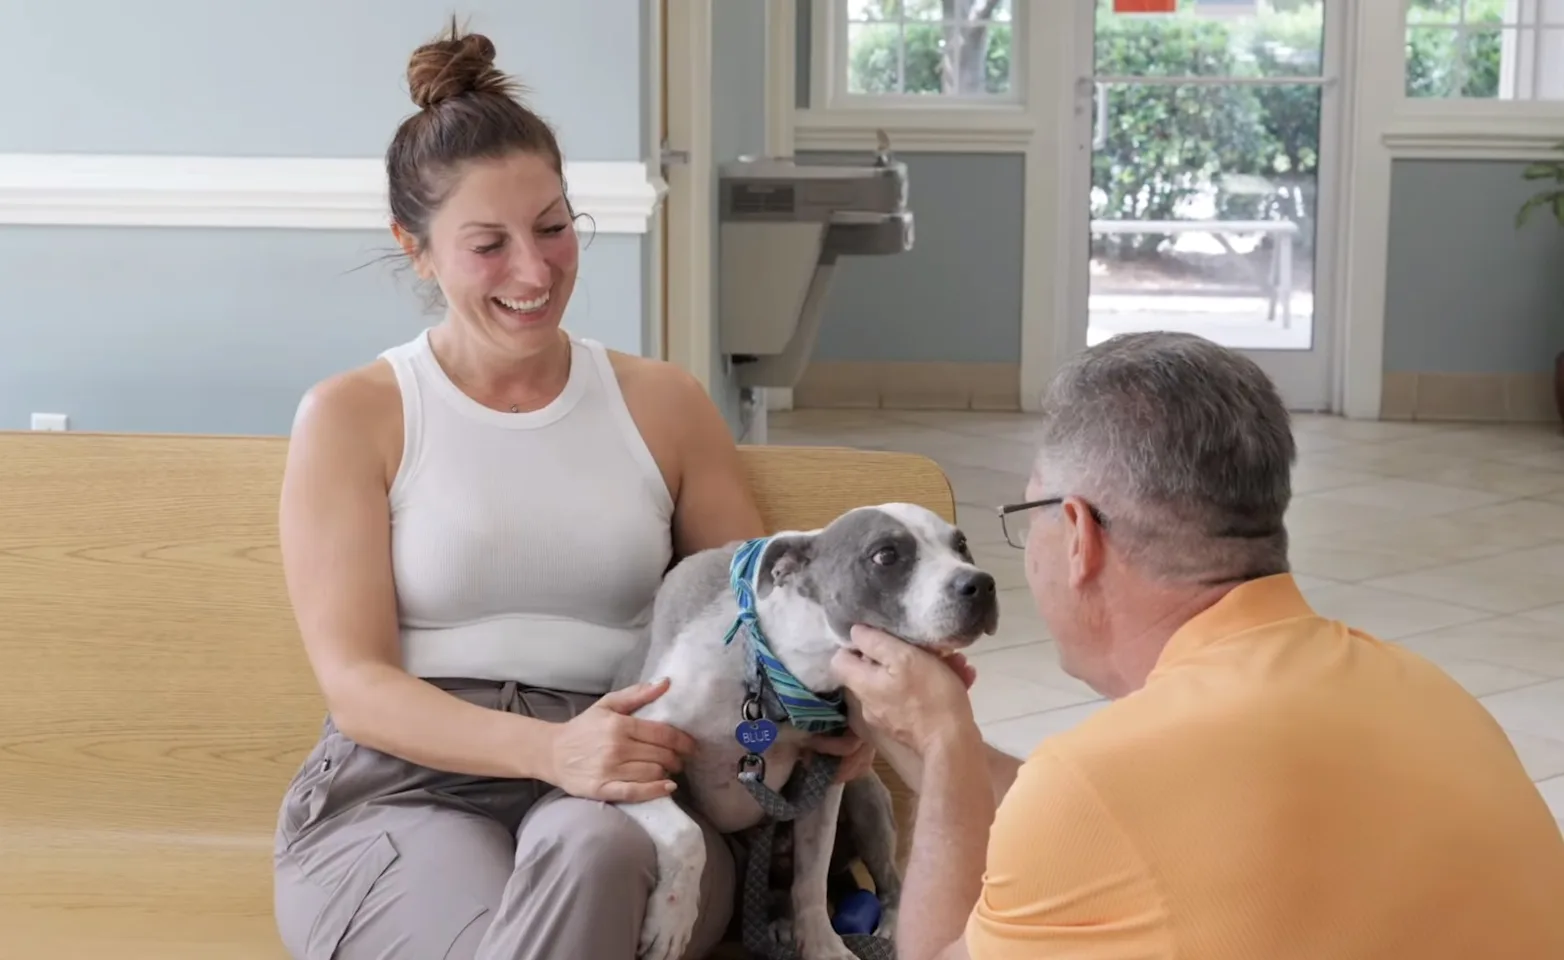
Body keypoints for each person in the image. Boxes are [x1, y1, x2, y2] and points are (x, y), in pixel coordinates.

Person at [270, 22, 874, 960]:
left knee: (593, 850)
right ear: (414, 247)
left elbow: (761, 624)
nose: (535, 270)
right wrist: (551, 750)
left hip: (637, 786)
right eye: (488, 245)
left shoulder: (664, 405)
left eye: (554, 227)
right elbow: (358, 687)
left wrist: (836, 714)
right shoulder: (355, 416)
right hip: (400, 787)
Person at [834, 331, 1564, 960]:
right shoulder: (1425, 691)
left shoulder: (1101, 783)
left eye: (1031, 515)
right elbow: (1107, 824)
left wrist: (946, 742)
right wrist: (927, 734)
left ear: (1080, 535)